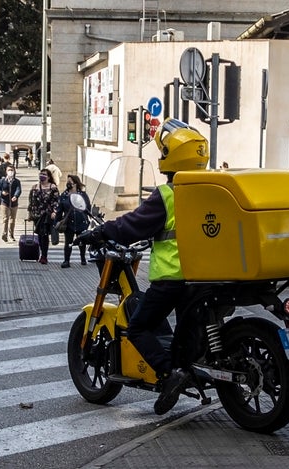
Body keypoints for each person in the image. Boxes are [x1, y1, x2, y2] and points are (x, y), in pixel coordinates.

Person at [77, 118, 209, 415]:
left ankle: (169, 373)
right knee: (189, 331)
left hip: (173, 277)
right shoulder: (209, 191)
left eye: (163, 153)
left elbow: (132, 225)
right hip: (204, 276)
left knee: (137, 326)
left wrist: (101, 231)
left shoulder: (168, 195)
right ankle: (186, 367)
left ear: (171, 157)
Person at [55, 175, 91, 268]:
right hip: (69, 222)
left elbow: (87, 207)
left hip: (81, 221)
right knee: (68, 242)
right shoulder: (64, 195)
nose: (68, 184)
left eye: (70, 182)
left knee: (82, 241)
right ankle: (66, 260)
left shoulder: (82, 195)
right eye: (67, 182)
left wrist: (87, 218)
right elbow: (59, 210)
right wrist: (57, 222)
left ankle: (83, 258)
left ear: (75, 183)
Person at [27, 168, 59, 264]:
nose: (42, 176)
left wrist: (55, 212)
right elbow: (31, 202)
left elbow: (56, 201)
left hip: (47, 215)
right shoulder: (35, 187)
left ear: (49, 177)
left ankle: (44, 255)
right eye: (41, 174)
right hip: (37, 215)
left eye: (44, 174)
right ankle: (42, 253)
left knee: (44, 234)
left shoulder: (53, 187)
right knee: (40, 235)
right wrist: (30, 214)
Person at [0, 164, 22, 242]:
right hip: (5, 202)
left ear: (14, 171)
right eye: (9, 170)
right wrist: (1, 193)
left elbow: (19, 189)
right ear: (6, 172)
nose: (10, 172)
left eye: (12, 170)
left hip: (14, 203)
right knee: (5, 218)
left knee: (12, 220)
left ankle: (11, 234)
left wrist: (15, 196)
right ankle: (4, 234)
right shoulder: (2, 181)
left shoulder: (16, 181)